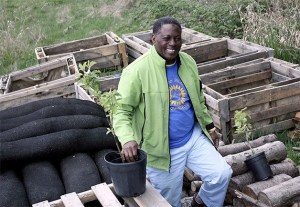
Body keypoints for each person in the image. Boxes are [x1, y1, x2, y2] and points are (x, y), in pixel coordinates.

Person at [113, 16, 232, 207]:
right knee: (169, 201)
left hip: (192, 139)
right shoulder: (136, 71)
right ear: (154, 39)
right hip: (160, 150)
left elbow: (198, 99)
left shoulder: (188, 63)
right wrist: (127, 139)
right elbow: (121, 111)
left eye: (177, 38)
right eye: (166, 38)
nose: (172, 44)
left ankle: (200, 202)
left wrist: (209, 126)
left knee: (221, 174)